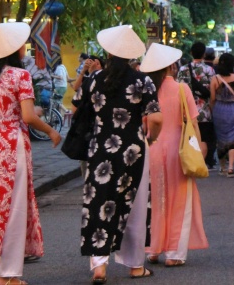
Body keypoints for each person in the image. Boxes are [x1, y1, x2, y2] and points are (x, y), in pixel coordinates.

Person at [77, 25, 163, 284]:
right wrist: (151, 137)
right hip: (133, 150)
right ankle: (135, 266)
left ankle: (99, 266)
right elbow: (156, 118)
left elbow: (78, 106)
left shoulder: (94, 80)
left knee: (99, 203)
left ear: (108, 51)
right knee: (134, 206)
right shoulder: (142, 80)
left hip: (100, 148)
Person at [0, 22, 62, 285]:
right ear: (14, 49)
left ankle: (3, 272)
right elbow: (27, 115)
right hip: (10, 145)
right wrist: (50, 131)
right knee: (14, 208)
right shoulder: (19, 76)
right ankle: (7, 275)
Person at [141, 43, 209, 267]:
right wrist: (198, 147)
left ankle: (153, 248)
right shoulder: (182, 89)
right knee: (179, 199)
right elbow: (193, 122)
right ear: (170, 66)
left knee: (155, 198)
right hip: (178, 150)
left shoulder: (145, 90)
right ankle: (174, 252)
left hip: (151, 147)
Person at [177, 42, 217, 168]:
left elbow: (178, 90)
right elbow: (212, 91)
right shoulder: (209, 70)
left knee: (189, 137)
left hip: (187, 111)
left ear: (191, 53)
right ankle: (200, 163)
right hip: (204, 110)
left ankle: (190, 163)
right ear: (204, 53)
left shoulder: (183, 70)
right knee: (203, 138)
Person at [210, 53, 234, 177]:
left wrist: (212, 110)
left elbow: (213, 98)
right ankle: (231, 168)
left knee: (221, 139)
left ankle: (223, 166)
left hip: (219, 109)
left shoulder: (215, 79)